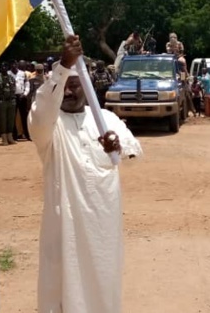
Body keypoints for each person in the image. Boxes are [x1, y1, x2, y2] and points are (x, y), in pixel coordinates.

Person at [28, 35, 142, 313]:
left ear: (87, 88)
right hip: (65, 228)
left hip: (103, 228)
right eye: (64, 87)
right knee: (64, 291)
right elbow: (43, 109)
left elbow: (132, 150)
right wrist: (63, 67)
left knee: (104, 289)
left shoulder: (105, 119)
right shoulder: (49, 127)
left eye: (76, 86)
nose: (69, 92)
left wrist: (116, 143)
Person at [0, 65, 17, 146]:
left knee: (11, 119)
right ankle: (4, 138)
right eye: (2, 68)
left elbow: (14, 88)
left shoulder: (11, 78)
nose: (4, 69)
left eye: (5, 67)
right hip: (1, 101)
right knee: (2, 120)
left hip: (11, 101)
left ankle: (10, 137)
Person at [13, 61, 32, 141]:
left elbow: (27, 84)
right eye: (12, 65)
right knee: (13, 117)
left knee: (24, 116)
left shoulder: (23, 74)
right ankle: (14, 136)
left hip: (22, 96)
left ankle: (28, 135)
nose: (13, 66)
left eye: (15, 64)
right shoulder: (8, 73)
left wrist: (25, 94)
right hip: (13, 97)